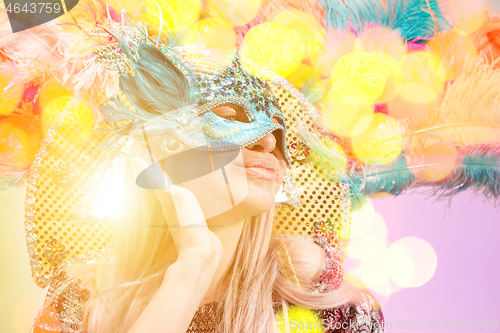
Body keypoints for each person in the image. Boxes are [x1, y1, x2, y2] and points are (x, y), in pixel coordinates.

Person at [30, 21, 384, 333]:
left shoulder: (320, 296)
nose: (268, 141)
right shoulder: (82, 298)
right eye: (229, 116)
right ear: (159, 152)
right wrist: (191, 270)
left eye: (279, 132)